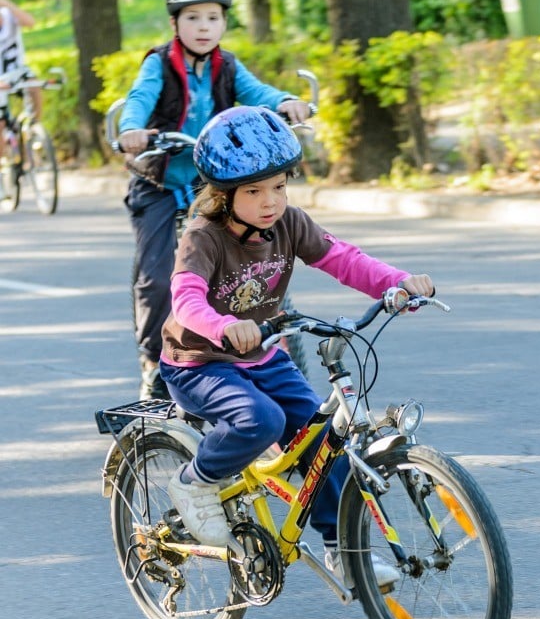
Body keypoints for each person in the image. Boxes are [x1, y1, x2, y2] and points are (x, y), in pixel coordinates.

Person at [159, 105, 436, 587]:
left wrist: (397, 284)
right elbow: (185, 300)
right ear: (223, 196)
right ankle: (195, 483)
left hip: (264, 355)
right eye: (254, 191)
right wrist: (223, 326)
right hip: (199, 362)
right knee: (259, 420)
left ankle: (343, 550)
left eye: (280, 186)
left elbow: (344, 259)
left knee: (321, 440)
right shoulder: (203, 237)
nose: (271, 201)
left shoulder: (289, 223)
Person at [118, 0, 311, 400]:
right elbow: (138, 102)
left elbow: (256, 90)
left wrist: (283, 101)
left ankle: (268, 352)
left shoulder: (227, 65)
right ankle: (154, 362)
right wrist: (132, 130)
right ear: (175, 24)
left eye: (212, 17)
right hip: (161, 181)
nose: (203, 27)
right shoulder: (158, 64)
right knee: (156, 277)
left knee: (252, 250)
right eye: (192, 18)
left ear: (224, 23)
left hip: (214, 183)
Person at [0, 0, 38, 181]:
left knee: (35, 84)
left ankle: (34, 131)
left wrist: (6, 2)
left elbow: (30, 22)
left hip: (17, 72)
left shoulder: (9, 16)